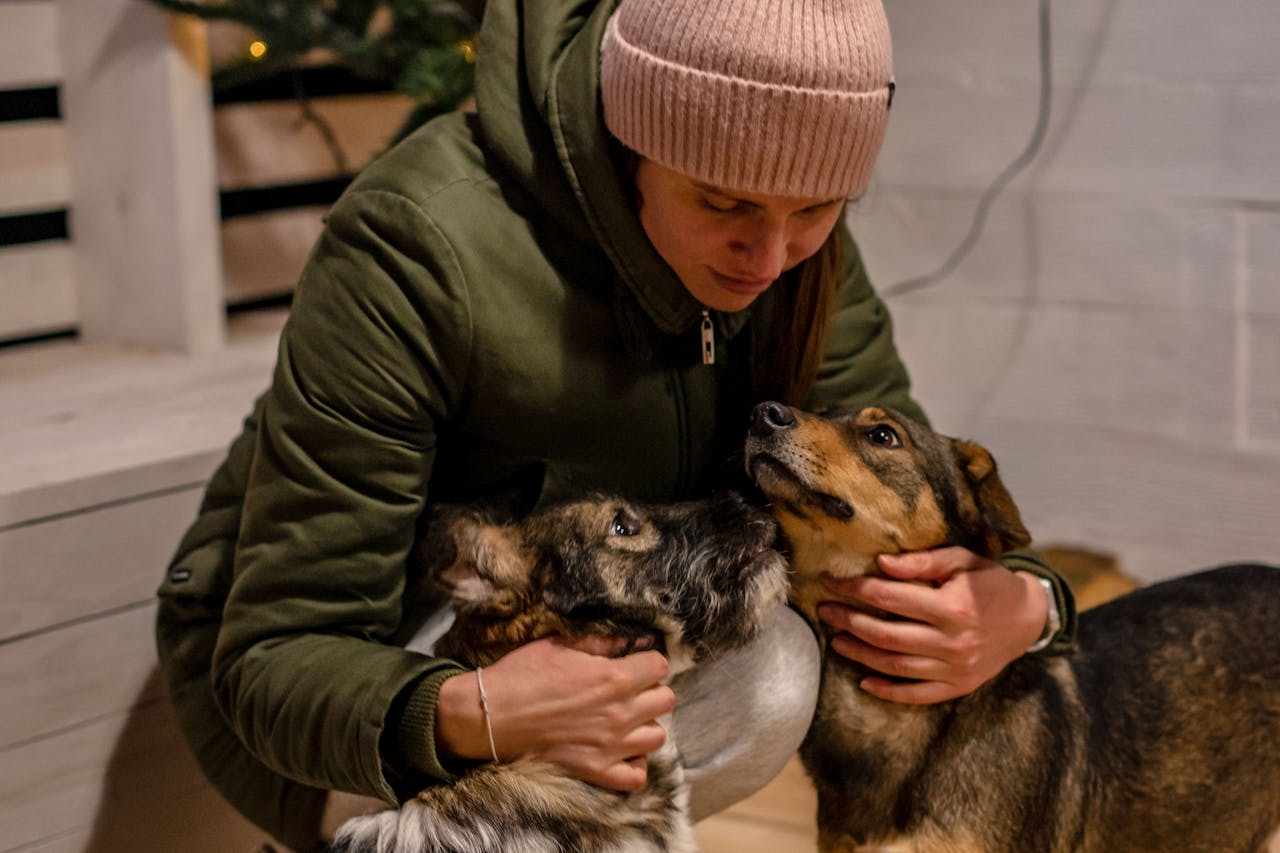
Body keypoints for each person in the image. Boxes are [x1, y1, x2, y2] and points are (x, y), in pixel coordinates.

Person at [155, 0, 1077, 849]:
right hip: (361, 679)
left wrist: (1025, 601)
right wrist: (473, 708)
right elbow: (275, 653)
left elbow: (903, 476)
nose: (770, 256)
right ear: (630, 139)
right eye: (723, 204)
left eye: (816, 213)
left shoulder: (789, 241)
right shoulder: (415, 240)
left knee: (774, 669)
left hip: (610, 615)